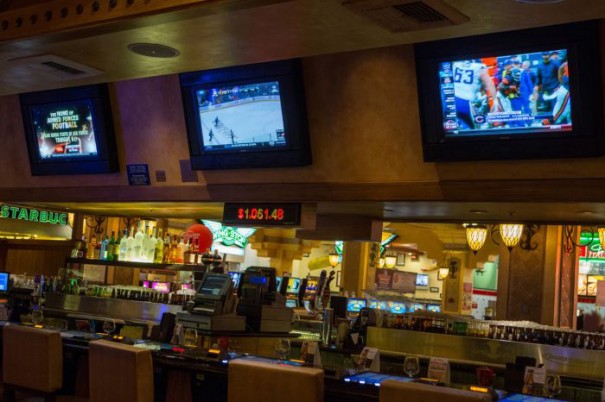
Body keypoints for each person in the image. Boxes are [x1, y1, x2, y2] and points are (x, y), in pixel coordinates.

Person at [452, 59, 498, 130]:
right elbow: (489, 84)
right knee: (475, 129)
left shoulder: (456, 64)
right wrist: (495, 100)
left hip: (450, 100)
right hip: (465, 101)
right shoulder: (479, 67)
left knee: (454, 128)